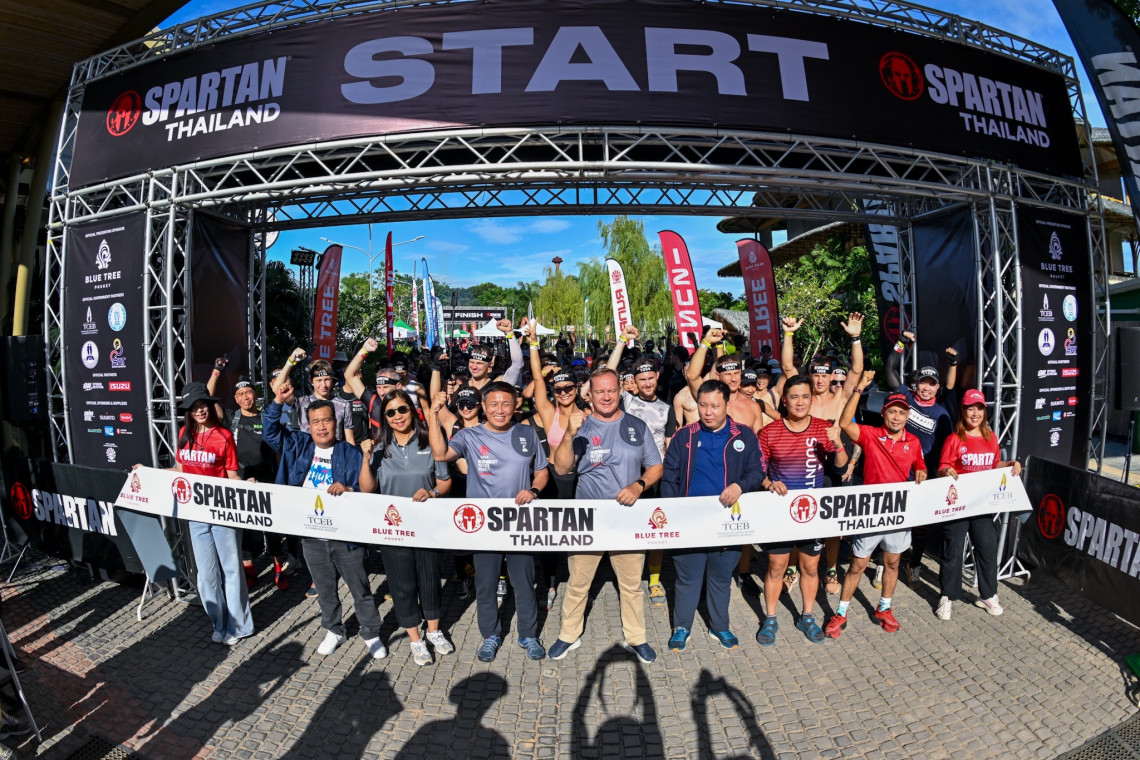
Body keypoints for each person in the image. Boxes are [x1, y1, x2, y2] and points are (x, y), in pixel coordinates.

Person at [547, 367, 663, 664]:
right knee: (577, 583)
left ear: (620, 391)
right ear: (590, 395)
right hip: (589, 519)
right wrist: (569, 434)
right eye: (600, 391)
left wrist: (639, 485)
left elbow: (655, 466)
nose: (607, 396)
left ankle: (636, 638)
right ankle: (568, 635)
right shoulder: (581, 426)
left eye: (612, 390)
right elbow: (562, 468)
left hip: (627, 518)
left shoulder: (636, 426)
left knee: (632, 585)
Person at [427, 381, 550, 662]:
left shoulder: (527, 433)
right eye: (493, 404)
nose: (500, 410)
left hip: (519, 523)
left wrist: (533, 491)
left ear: (516, 405)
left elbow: (542, 471)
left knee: (524, 582)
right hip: (484, 526)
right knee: (485, 584)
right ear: (483, 406)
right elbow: (440, 454)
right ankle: (490, 635)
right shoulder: (469, 435)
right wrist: (433, 415)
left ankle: (528, 635)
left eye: (506, 404)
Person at [263, 386, 384, 658]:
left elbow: (367, 491)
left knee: (360, 588)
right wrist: (277, 401)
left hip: (345, 537)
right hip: (311, 536)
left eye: (326, 420)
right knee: (325, 589)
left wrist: (348, 489)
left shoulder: (350, 453)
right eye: (315, 421)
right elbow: (270, 433)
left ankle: (371, 632)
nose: (321, 426)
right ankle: (334, 630)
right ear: (308, 424)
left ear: (335, 422)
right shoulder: (298, 445)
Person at [660, 380, 764, 651]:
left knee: (720, 577)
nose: (708, 412)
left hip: (728, 523)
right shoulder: (685, 436)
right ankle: (681, 626)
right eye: (703, 405)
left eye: (715, 406)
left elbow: (758, 471)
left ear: (727, 404)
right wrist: (675, 512)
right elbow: (670, 476)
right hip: (690, 523)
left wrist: (740, 485)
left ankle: (720, 626)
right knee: (688, 578)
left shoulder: (744, 435)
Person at [825, 371, 928, 638]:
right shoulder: (871, 435)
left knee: (892, 563)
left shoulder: (914, 441)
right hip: (871, 512)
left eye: (902, 413)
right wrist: (859, 388)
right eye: (892, 412)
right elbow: (844, 422)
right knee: (858, 565)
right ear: (884, 413)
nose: (897, 417)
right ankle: (841, 612)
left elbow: (920, 466)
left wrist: (921, 471)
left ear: (908, 416)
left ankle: (884, 608)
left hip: (897, 512)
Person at [358, 388, 455, 666]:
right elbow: (367, 489)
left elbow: (445, 482)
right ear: (385, 418)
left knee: (430, 579)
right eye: (391, 412)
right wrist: (365, 459)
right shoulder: (379, 448)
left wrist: (432, 493)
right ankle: (415, 639)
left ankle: (434, 631)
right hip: (394, 529)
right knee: (402, 585)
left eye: (402, 409)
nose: (397, 416)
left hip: (426, 527)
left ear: (412, 410)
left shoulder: (430, 441)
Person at [756, 375, 848, 645]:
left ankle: (806, 617)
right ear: (784, 400)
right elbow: (758, 471)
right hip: (780, 513)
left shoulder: (823, 428)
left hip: (811, 513)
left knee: (810, 567)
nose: (800, 402)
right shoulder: (769, 432)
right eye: (794, 397)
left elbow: (841, 467)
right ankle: (770, 619)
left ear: (811, 399)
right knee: (776, 567)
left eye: (805, 396)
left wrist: (838, 442)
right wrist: (769, 483)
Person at [159, 381, 253, 646]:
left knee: (232, 570)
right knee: (206, 575)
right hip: (196, 515)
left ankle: (239, 626)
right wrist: (148, 473)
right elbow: (180, 470)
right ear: (188, 411)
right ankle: (219, 623)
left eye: (203, 405)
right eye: (194, 407)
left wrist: (247, 485)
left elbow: (232, 475)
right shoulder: (184, 434)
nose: (200, 410)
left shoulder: (224, 436)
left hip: (223, 512)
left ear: (209, 407)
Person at [935, 389, 1022, 620]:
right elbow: (942, 467)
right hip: (956, 505)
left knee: (987, 549)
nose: (975, 414)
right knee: (953, 551)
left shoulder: (990, 437)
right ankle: (947, 596)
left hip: (982, 505)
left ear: (985, 411)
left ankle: (988, 595)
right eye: (970, 409)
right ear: (963, 411)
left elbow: (994, 465)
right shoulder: (954, 439)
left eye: (979, 409)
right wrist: (946, 472)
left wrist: (1010, 464)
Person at [606, 326, 676, 608]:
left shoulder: (667, 409)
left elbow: (669, 446)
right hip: (625, 475)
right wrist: (622, 341)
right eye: (641, 379)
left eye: (650, 378)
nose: (647, 383)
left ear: (657, 377)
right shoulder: (626, 400)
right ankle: (628, 578)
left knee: (655, 532)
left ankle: (655, 580)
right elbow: (608, 372)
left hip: (654, 476)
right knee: (626, 529)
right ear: (633, 381)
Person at [885, 330, 959, 588]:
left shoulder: (942, 413)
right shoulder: (906, 397)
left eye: (931, 384)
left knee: (920, 523)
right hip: (895, 469)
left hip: (921, 474)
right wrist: (901, 343)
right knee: (892, 518)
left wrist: (952, 363)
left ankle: (914, 563)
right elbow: (890, 369)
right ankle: (885, 562)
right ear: (916, 384)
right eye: (923, 382)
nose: (926, 387)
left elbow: (945, 449)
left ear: (937, 387)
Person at [272, 348, 355, 445]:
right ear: (311, 381)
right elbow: (277, 389)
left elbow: (350, 440)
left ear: (332, 380)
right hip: (309, 452)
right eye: (319, 381)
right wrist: (291, 361)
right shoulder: (302, 401)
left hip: (334, 452)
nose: (323, 385)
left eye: (327, 380)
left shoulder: (343, 405)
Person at [686, 329, 761, 432]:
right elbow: (692, 376)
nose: (733, 379)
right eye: (728, 374)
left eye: (736, 373)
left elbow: (759, 441)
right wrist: (706, 342)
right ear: (718, 376)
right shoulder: (709, 398)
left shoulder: (753, 406)